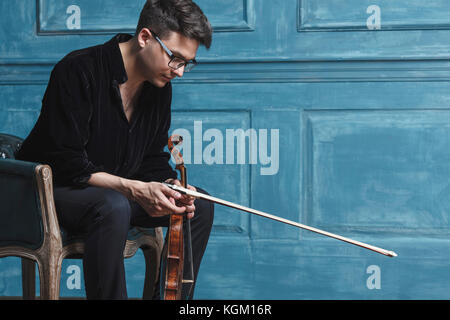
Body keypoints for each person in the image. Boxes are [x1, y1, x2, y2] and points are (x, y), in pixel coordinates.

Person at [15, 0, 214, 300]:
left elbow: (151, 160)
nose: (181, 71)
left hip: (113, 194)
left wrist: (170, 186)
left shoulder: (159, 87)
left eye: (187, 62)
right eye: (176, 58)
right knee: (112, 206)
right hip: (49, 193)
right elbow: (68, 164)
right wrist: (134, 189)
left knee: (197, 205)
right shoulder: (77, 69)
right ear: (145, 38)